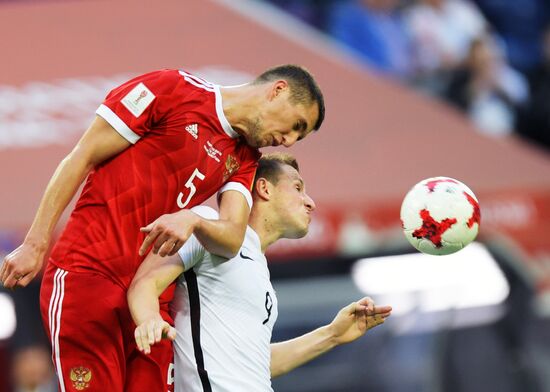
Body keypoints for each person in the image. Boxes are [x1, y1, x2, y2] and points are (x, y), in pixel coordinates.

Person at [0, 65, 325, 391]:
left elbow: (231, 238)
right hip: (89, 275)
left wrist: (195, 220)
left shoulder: (244, 159)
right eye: (296, 125)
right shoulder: (172, 90)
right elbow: (81, 156)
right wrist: (36, 242)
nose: (289, 141)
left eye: (300, 136)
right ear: (278, 90)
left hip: (153, 304)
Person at [128, 153, 392, 391]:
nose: (310, 202)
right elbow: (145, 283)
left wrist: (332, 335)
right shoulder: (206, 226)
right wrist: (149, 317)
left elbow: (254, 366)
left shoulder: (259, 271)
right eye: (298, 188)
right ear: (264, 188)